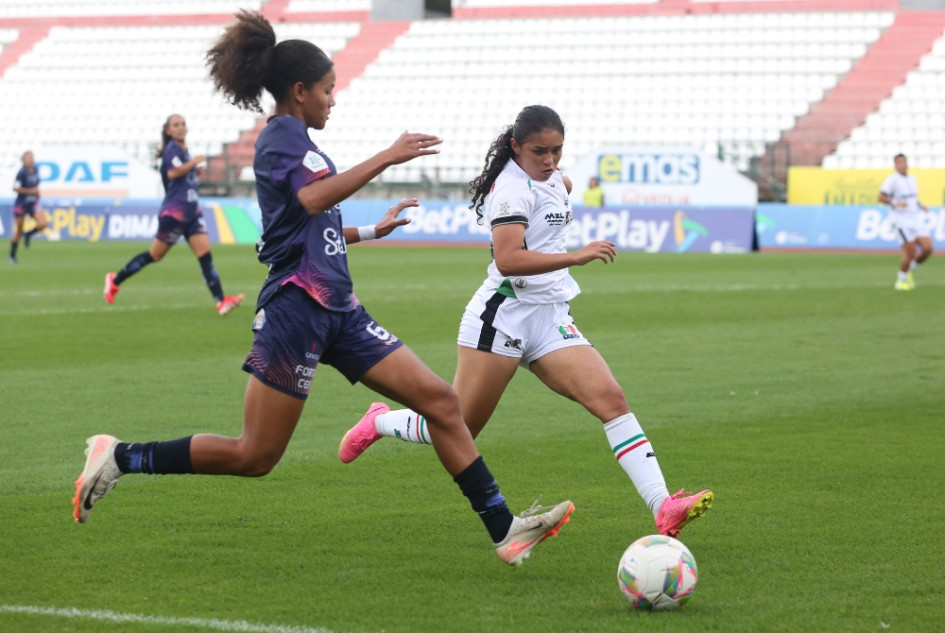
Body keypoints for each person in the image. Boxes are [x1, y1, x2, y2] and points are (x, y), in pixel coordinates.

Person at [74, 11, 573, 568]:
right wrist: (387, 155)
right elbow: (312, 201)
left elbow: (309, 222)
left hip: (339, 308)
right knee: (255, 455)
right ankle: (120, 456)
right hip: (296, 309)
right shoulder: (279, 139)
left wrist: (368, 230)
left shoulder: (301, 141)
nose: (334, 99)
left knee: (441, 402)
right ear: (299, 91)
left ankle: (504, 530)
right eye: (328, 89)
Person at [339, 105, 713, 539]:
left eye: (557, 150)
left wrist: (563, 194)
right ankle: (380, 421)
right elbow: (508, 258)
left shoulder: (555, 178)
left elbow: (560, 187)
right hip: (502, 315)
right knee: (458, 427)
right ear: (516, 147)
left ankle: (663, 506)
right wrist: (576, 255)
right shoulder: (511, 192)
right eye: (540, 151)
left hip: (549, 316)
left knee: (611, 399)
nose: (551, 160)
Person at [103, 114, 244, 315]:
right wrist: (194, 163)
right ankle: (115, 280)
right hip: (175, 213)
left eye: (183, 124)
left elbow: (182, 175)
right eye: (176, 125)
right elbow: (172, 172)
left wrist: (194, 171)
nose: (180, 127)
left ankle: (220, 301)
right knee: (155, 255)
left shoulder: (184, 153)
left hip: (192, 212)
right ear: (168, 131)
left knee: (205, 256)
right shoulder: (173, 150)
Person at [878, 153, 933, 291]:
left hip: (915, 218)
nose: (903, 165)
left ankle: (909, 272)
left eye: (904, 162)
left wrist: (921, 205)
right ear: (895, 165)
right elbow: (881, 197)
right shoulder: (892, 180)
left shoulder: (912, 179)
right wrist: (896, 202)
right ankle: (901, 281)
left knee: (927, 248)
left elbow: (911, 198)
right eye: (899, 162)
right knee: (910, 252)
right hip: (900, 220)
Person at [9, 151, 48, 263]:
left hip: (33, 203)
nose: (31, 159)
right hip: (21, 204)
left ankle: (28, 235)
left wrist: (37, 193)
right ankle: (12, 255)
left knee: (43, 224)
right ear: (23, 160)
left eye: (32, 157)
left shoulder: (35, 170)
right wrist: (31, 191)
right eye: (28, 157)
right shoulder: (21, 172)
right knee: (18, 231)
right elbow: (15, 188)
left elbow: (35, 185)